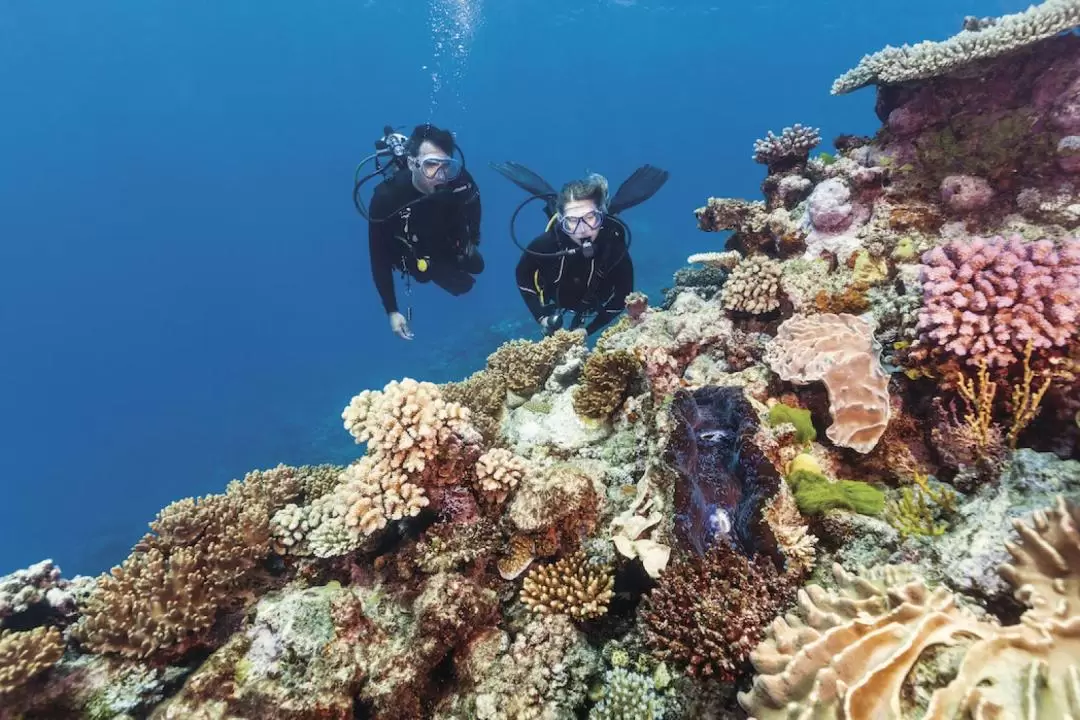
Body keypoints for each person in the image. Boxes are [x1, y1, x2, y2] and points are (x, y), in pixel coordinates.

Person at [493, 162, 668, 337]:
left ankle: (607, 207)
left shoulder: (613, 245)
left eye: (590, 217)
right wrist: (542, 318)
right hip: (557, 299)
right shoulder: (546, 244)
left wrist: (588, 330)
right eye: (572, 221)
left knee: (610, 212)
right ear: (562, 221)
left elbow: (623, 294)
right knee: (555, 204)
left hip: (593, 301)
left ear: (600, 216)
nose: (582, 229)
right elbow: (523, 275)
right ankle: (557, 203)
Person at [365, 124, 483, 340]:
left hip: (448, 235)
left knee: (477, 266)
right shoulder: (386, 199)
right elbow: (378, 258)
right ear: (412, 163)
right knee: (450, 282)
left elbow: (474, 203)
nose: (440, 175)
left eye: (447, 165)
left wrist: (473, 239)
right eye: (430, 165)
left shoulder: (459, 180)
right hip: (417, 252)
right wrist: (392, 310)